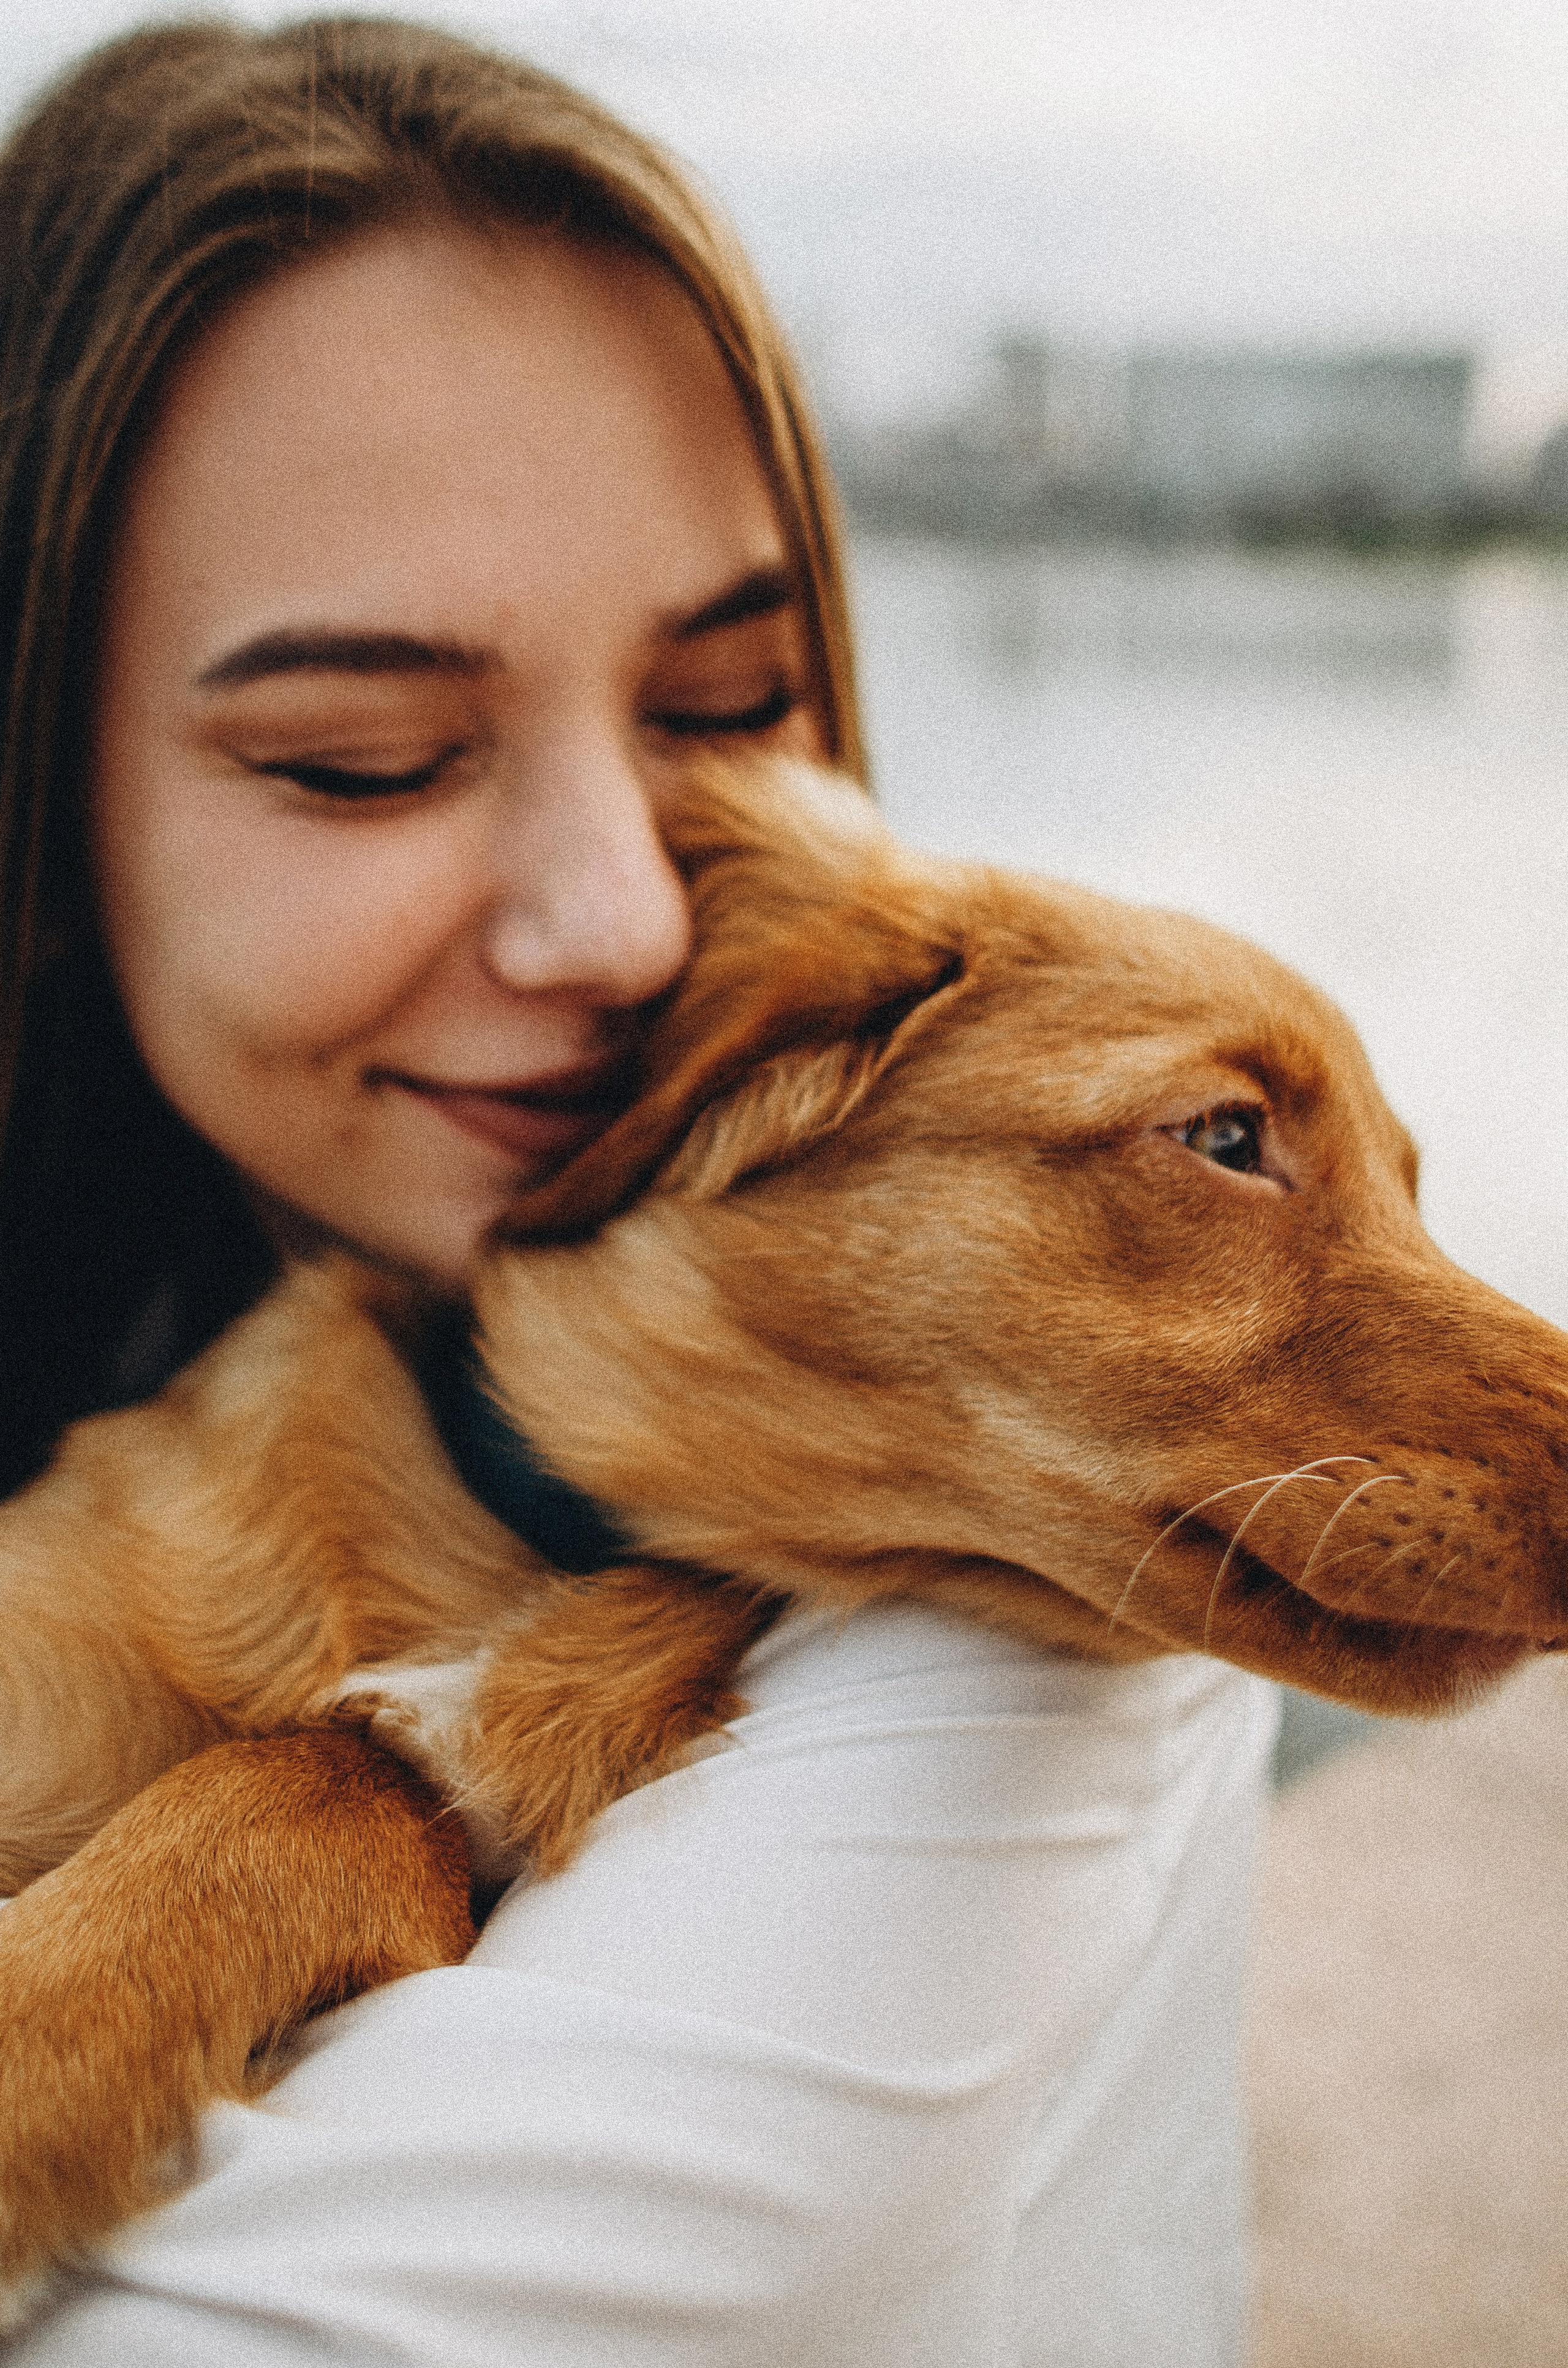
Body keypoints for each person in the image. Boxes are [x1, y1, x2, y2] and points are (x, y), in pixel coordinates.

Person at [0, 20, 1277, 2364]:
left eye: (727, 702)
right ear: (40, 812)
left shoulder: (1050, 1467)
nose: (623, 922)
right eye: (360, 759)